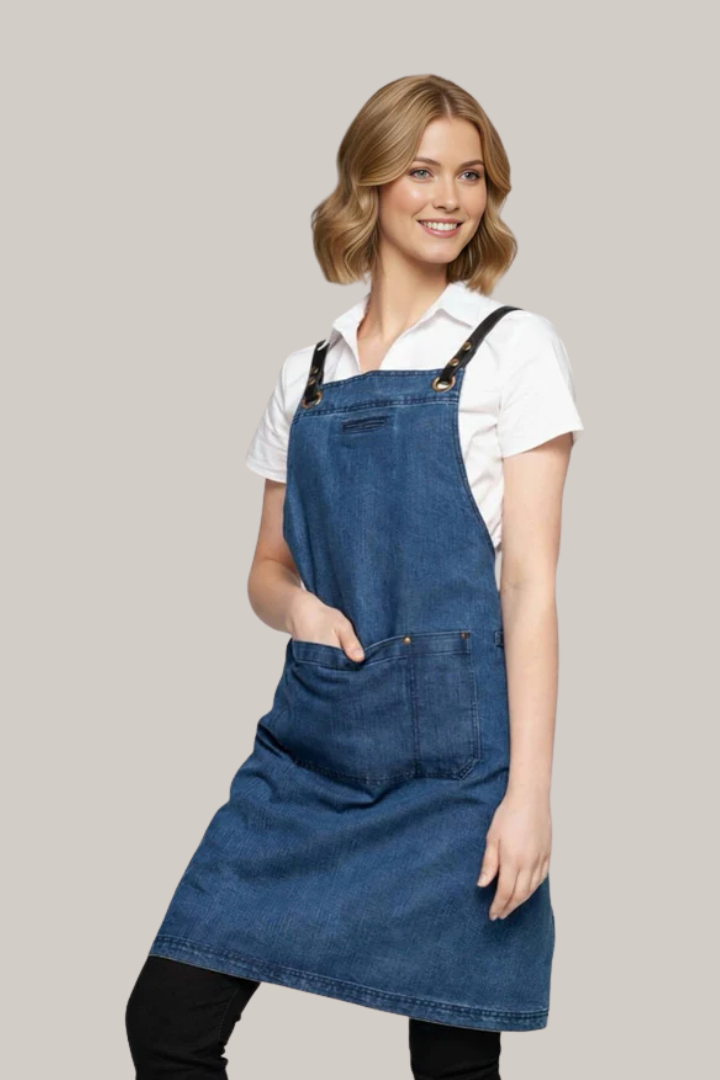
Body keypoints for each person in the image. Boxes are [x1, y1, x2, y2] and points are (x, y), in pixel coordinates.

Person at [126, 73, 584, 1079]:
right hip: (314, 750)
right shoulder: (308, 374)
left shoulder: (514, 349)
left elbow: (529, 589)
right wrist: (301, 611)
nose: (450, 197)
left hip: (460, 766)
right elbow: (266, 568)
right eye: (421, 170)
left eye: (471, 174)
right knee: (166, 1022)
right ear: (368, 184)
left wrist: (529, 796)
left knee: (452, 1058)